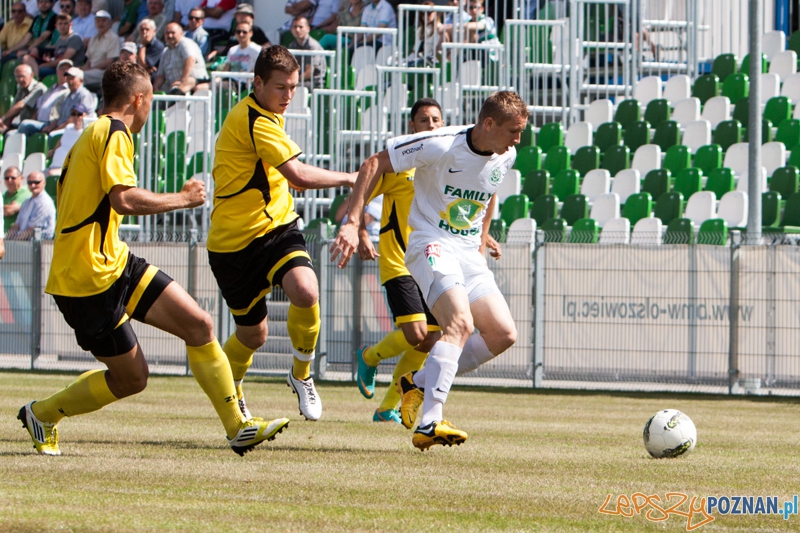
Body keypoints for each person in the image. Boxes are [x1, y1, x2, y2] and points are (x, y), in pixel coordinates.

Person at [17, 61, 290, 457]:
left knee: (199, 324)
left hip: (111, 262)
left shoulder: (90, 134)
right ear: (139, 99)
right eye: (150, 102)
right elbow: (122, 199)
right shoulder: (113, 131)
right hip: (86, 280)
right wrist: (184, 199)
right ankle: (42, 414)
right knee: (132, 378)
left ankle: (239, 427)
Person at [331, 90, 526, 450]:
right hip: (430, 245)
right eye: (514, 131)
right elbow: (375, 162)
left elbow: (490, 189)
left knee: (502, 334)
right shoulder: (440, 144)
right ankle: (430, 421)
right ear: (488, 123)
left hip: (468, 254)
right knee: (460, 325)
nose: (518, 140)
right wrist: (352, 221)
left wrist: (482, 240)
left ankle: (417, 383)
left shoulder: (506, 155)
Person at [208, 45, 356, 423]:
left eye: (293, 87)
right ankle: (233, 391)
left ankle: (301, 374)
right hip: (232, 243)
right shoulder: (253, 120)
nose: (289, 96)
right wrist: (353, 178)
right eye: (280, 88)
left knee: (306, 289)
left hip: (277, 228)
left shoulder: (269, 113)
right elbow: (300, 178)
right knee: (252, 335)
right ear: (257, 83)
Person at [352, 99, 448, 423]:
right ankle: (369, 356)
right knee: (416, 333)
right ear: (413, 127)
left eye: (436, 119)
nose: (432, 125)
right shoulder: (399, 165)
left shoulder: (447, 169)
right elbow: (361, 191)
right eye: (424, 120)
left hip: (431, 263)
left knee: (430, 339)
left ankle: (387, 407)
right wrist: (360, 231)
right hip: (399, 260)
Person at [21, 13, 85, 78]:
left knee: (40, 70)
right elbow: (57, 56)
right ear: (56, 26)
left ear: (70, 24)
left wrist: (45, 64)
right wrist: (49, 60)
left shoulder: (75, 38)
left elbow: (64, 60)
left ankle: (35, 83)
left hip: (68, 69)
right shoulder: (60, 39)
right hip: (56, 66)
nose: (62, 26)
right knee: (26, 58)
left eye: (65, 23)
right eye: (60, 24)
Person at [16, 58, 70, 135]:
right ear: (57, 71)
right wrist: (32, 121)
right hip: (39, 122)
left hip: (50, 123)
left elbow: (65, 113)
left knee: (25, 124)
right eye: (62, 68)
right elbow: (38, 108)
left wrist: (52, 125)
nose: (65, 71)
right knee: (11, 132)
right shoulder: (50, 89)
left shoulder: (69, 91)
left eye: (68, 69)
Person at [153, 22, 208, 94]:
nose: (170, 35)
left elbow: (190, 60)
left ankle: (165, 105)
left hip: (194, 81)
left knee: (177, 88)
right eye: (167, 33)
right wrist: (155, 87)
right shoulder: (165, 51)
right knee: (160, 89)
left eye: (173, 33)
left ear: (181, 33)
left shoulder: (185, 43)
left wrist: (182, 81)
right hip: (173, 84)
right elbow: (161, 75)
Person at [6, 171, 56, 240]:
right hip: (23, 243)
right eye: (30, 183)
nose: (33, 185)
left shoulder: (45, 202)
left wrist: (14, 243)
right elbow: (17, 225)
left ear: (44, 183)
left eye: (36, 182)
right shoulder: (26, 202)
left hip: (39, 245)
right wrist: (6, 240)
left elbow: (32, 229)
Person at [0, 63, 47, 134]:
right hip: (21, 123)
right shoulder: (21, 88)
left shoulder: (39, 88)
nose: (20, 79)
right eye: (17, 77)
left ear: (31, 75)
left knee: (11, 133)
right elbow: (14, 109)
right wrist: (5, 124)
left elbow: (21, 105)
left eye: (22, 76)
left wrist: (3, 118)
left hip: (34, 124)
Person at [46, 101, 87, 175]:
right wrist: (53, 151)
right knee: (33, 175)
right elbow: (61, 141)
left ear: (85, 116)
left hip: (68, 169)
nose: (76, 117)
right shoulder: (68, 128)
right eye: (73, 114)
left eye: (79, 114)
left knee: (47, 175)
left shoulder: (86, 132)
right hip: (53, 166)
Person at [82, 9, 119, 90]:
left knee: (79, 77)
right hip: (91, 71)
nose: (100, 23)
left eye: (103, 21)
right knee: (70, 73)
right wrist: (83, 69)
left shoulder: (113, 38)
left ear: (110, 24)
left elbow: (109, 62)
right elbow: (89, 60)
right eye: (98, 21)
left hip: (104, 72)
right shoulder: (93, 38)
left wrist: (90, 69)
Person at [287, 16, 324, 89]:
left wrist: (292, 81)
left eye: (301, 27)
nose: (297, 30)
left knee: (288, 87)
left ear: (308, 29)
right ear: (291, 29)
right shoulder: (292, 46)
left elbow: (309, 73)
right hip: (300, 81)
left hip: (314, 83)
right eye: (295, 27)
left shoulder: (313, 46)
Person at [3, 166, 32, 233]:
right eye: (6, 178)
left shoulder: (25, 192)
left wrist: (5, 207)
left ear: (21, 178)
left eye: (13, 178)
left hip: (15, 236)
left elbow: (9, 211)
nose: (9, 180)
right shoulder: (5, 195)